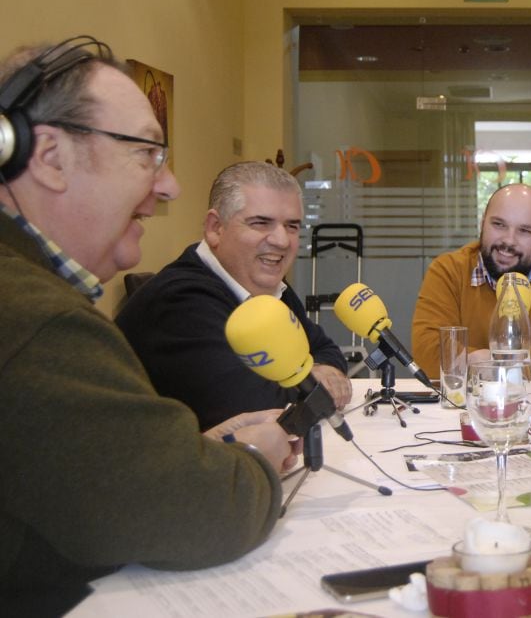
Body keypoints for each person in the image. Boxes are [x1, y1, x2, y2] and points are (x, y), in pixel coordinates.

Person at [0, 37, 297, 614]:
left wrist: (190, 455)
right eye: (146, 154)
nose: (169, 185)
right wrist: (255, 456)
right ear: (50, 157)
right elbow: (197, 511)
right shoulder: (36, 321)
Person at [117, 161, 351, 430]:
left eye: (292, 226)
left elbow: (326, 350)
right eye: (261, 223)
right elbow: (257, 408)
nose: (282, 241)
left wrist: (317, 374)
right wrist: (313, 379)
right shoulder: (180, 301)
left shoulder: (265, 285)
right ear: (215, 228)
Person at [412, 183, 531, 379]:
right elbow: (427, 353)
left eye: (525, 231)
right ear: (482, 223)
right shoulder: (447, 271)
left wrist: (500, 363)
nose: (509, 241)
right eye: (499, 225)